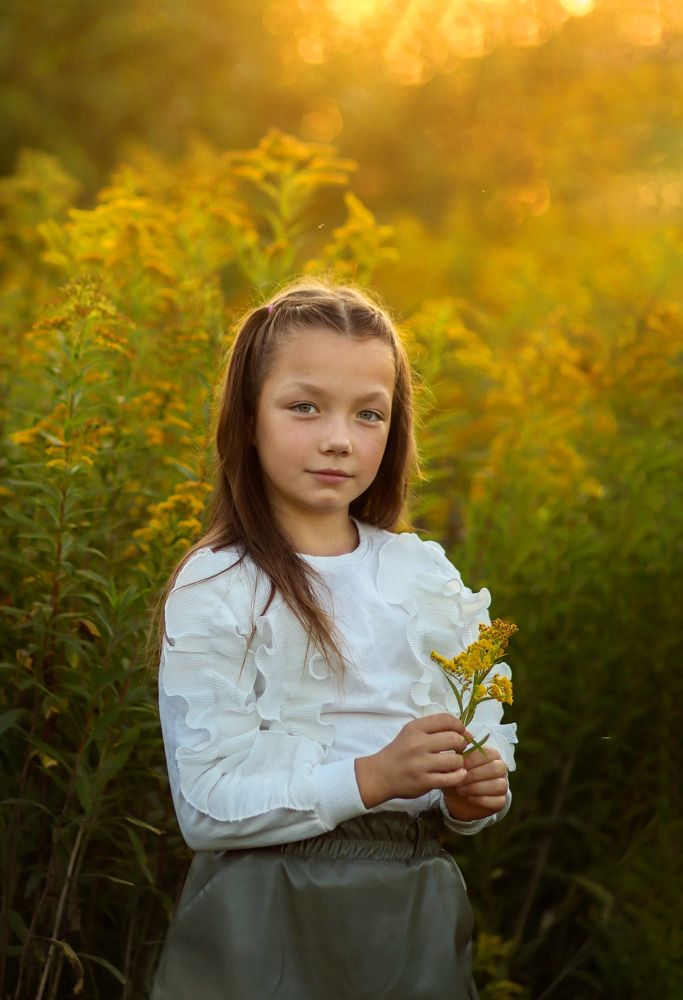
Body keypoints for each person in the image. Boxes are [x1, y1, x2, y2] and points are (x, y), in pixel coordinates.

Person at [150, 280, 517, 1000]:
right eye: (303, 406)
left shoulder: (423, 575)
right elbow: (204, 804)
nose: (338, 438)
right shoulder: (220, 584)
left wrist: (474, 798)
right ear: (247, 418)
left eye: (368, 414)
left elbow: (478, 738)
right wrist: (370, 778)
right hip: (264, 909)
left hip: (411, 906)